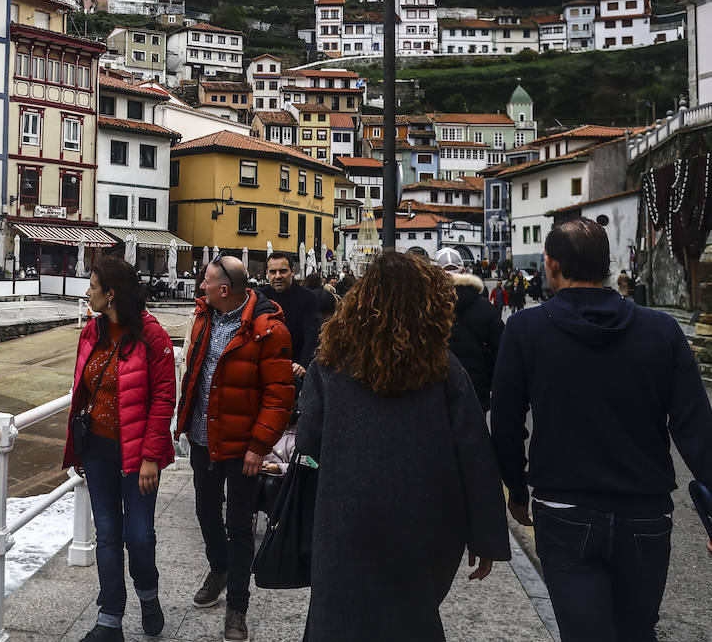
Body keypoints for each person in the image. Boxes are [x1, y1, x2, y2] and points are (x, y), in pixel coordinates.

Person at [491, 218, 712, 641]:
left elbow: (505, 423)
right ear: (606, 265)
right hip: (646, 511)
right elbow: (696, 427)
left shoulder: (525, 330)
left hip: (564, 507)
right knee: (636, 631)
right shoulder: (661, 330)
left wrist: (517, 491)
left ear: (551, 265)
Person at [296, 251, 511, 641]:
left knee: (340, 616)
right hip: (425, 519)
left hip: (345, 517)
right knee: (413, 617)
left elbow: (309, 442)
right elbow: (474, 451)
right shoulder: (442, 366)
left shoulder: (328, 364)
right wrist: (486, 535)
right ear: (425, 303)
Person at [175, 255, 295, 642]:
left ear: (224, 290)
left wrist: (259, 447)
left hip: (243, 447)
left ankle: (237, 607)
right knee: (205, 511)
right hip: (202, 438)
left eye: (206, 282)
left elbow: (278, 397)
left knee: (240, 526)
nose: (201, 288)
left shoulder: (269, 331)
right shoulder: (203, 318)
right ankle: (219, 568)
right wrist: (182, 423)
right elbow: (192, 373)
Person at [64, 255, 177, 642]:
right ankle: (110, 620)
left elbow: (164, 400)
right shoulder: (91, 333)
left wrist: (150, 458)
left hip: (137, 455)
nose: (87, 292)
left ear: (111, 294)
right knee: (109, 534)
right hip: (96, 449)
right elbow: (81, 390)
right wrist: (79, 449)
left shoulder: (152, 335)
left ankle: (148, 595)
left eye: (92, 286)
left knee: (140, 536)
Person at [436, 247, 503, 413]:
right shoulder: (486, 308)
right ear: (464, 271)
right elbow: (501, 354)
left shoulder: (426, 308)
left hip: (436, 393)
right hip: (476, 392)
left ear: (435, 271)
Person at [258, 251, 321, 376]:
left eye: (283, 271)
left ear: (292, 271)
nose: (278, 276)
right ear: (267, 274)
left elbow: (311, 333)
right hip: (264, 364)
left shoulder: (307, 297)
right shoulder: (259, 296)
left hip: (295, 366)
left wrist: (304, 363)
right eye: (273, 272)